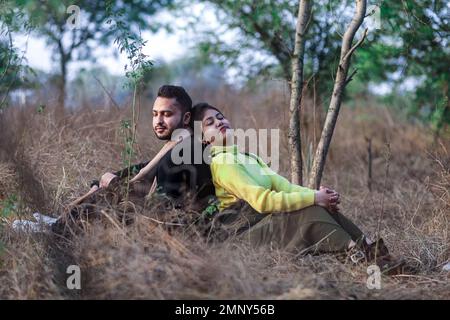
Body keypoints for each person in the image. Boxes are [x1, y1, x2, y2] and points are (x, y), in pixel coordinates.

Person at [190, 102, 405, 275]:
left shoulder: (248, 157)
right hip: (245, 236)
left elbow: (286, 187)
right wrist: (313, 199)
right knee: (310, 211)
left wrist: (320, 197)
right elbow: (262, 201)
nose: (219, 122)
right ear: (203, 138)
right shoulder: (222, 162)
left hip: (264, 222)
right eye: (209, 123)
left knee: (322, 207)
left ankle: (377, 256)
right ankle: (359, 258)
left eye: (220, 117)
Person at [13, 85, 215, 234]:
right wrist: (103, 181)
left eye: (166, 114)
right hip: (151, 219)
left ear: (186, 118)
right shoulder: (178, 143)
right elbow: (143, 168)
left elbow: (159, 207)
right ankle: (60, 223)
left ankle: (57, 229)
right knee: (110, 185)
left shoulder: (188, 151)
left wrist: (116, 187)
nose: (158, 121)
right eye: (155, 114)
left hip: (165, 229)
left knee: (112, 196)